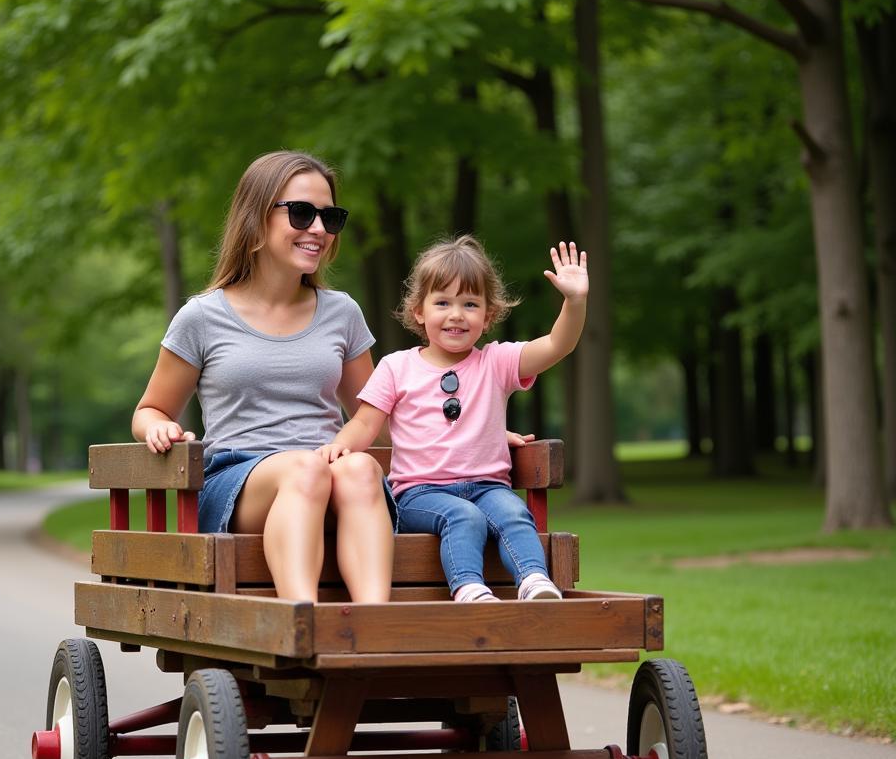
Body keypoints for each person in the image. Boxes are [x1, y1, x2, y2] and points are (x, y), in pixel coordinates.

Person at [132, 151, 394, 603]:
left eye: (329, 217)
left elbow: (375, 418)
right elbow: (149, 409)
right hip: (239, 481)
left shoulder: (343, 312)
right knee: (306, 468)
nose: (318, 229)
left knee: (361, 468)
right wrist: (158, 426)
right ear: (256, 217)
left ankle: (374, 624)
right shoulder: (203, 316)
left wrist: (473, 429)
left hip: (328, 475)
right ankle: (300, 618)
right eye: (301, 212)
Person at [318, 235, 588, 603]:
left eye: (470, 303)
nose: (456, 314)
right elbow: (365, 423)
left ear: (488, 315)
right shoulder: (396, 367)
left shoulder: (496, 362)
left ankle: (534, 581)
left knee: (513, 511)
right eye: (442, 302)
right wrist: (339, 446)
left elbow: (558, 344)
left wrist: (574, 301)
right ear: (419, 311)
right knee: (464, 516)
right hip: (419, 493)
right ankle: (468, 587)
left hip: (488, 486)